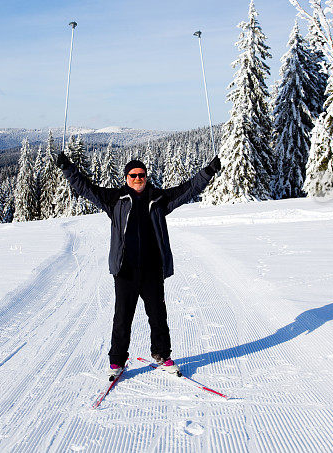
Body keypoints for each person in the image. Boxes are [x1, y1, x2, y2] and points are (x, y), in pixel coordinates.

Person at [55, 151, 222, 380]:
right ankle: (117, 362)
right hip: (125, 271)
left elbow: (188, 189)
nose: (137, 178)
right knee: (122, 317)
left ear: (146, 176)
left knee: (158, 316)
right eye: (133, 175)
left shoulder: (159, 199)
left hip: (153, 270)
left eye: (141, 175)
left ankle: (162, 356)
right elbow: (85, 188)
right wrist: (67, 167)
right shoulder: (115, 200)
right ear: (126, 177)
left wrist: (208, 172)